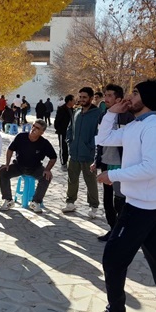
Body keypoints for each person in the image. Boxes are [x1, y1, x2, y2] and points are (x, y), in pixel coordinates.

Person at [88, 79, 156, 312]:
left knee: (113, 258)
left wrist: (113, 175)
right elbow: (104, 138)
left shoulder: (154, 129)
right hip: (142, 201)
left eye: (135, 93)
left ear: (147, 99)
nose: (129, 97)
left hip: (143, 207)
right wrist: (111, 112)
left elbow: (150, 168)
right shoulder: (135, 125)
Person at [91, 84, 134, 241]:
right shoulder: (104, 116)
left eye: (110, 95)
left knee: (120, 200)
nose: (106, 98)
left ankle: (122, 233)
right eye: (105, 95)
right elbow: (100, 141)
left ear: (118, 99)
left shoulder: (128, 117)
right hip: (106, 163)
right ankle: (113, 229)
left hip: (121, 165)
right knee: (107, 200)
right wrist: (97, 160)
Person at [0, 119, 57, 214]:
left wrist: (47, 169)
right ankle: (8, 200)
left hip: (35, 168)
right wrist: (7, 163)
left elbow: (53, 157)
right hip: (18, 166)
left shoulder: (44, 143)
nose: (34, 128)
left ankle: (35, 202)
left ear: (42, 132)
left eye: (37, 128)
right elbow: (10, 149)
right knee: (3, 171)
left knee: (47, 177)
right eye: (33, 126)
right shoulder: (21, 136)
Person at [62, 87, 101, 218]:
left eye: (85, 97)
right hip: (74, 153)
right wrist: (70, 142)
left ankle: (93, 206)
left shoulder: (98, 114)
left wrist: (90, 147)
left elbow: (98, 134)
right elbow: (70, 129)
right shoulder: (76, 112)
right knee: (72, 179)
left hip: (88, 155)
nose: (82, 99)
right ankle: (70, 203)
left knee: (90, 181)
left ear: (91, 98)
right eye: (80, 97)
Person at [54, 94, 75, 169]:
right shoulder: (62, 109)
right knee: (63, 147)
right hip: (62, 132)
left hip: (70, 132)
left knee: (70, 147)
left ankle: (70, 162)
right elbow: (57, 121)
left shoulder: (72, 110)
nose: (74, 102)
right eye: (73, 100)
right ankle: (63, 163)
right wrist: (59, 129)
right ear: (69, 101)